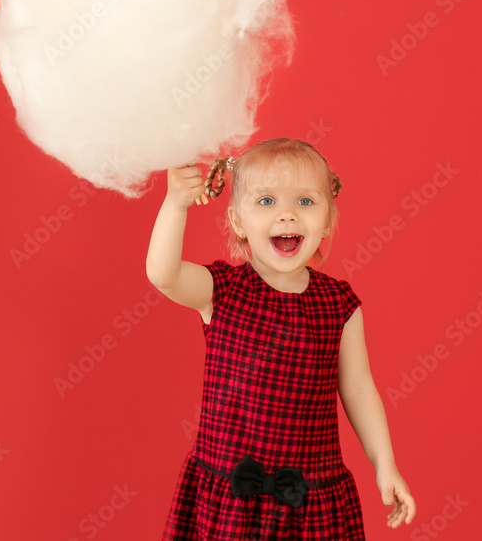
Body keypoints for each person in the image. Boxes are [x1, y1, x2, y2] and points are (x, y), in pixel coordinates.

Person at [147, 138, 415, 540]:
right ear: (237, 220)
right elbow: (163, 275)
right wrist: (175, 205)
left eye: (305, 202)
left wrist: (385, 463)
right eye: (267, 201)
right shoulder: (221, 291)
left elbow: (358, 389)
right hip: (230, 501)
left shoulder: (339, 304)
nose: (287, 215)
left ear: (327, 220)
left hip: (310, 504)